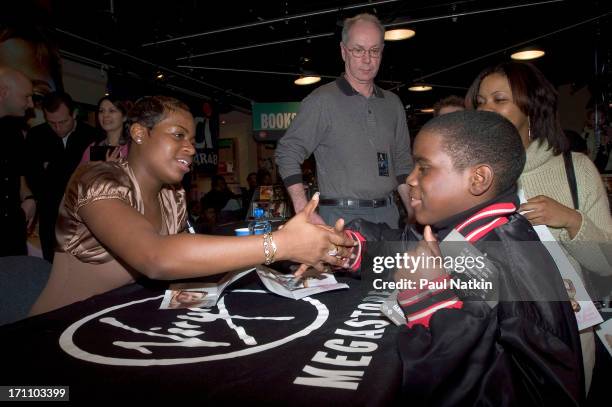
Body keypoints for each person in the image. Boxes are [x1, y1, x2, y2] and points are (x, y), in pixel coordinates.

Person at [332, 111, 583, 405]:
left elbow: (536, 394)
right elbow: (402, 248)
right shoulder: (456, 229)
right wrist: (349, 247)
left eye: (423, 168)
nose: (410, 179)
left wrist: (432, 303)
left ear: (478, 179)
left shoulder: (514, 268)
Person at [29, 96, 355, 316]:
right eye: (178, 135)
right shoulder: (96, 178)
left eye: (193, 139)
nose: (190, 148)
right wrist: (281, 244)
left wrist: (302, 247)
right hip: (53, 335)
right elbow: (157, 257)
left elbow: (193, 257)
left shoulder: (173, 196)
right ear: (140, 133)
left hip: (113, 321)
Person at [465, 61, 612, 396]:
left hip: (566, 330)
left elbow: (607, 264)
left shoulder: (577, 170)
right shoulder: (469, 174)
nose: (487, 109)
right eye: (481, 102)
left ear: (531, 107)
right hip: (493, 336)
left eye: (499, 99)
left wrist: (571, 220)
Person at [275, 13, 412, 228]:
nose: (367, 59)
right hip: (341, 218)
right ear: (343, 51)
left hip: (389, 215)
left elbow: (403, 163)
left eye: (374, 51)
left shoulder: (393, 103)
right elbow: (287, 151)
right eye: (358, 50)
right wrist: (304, 211)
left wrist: (414, 213)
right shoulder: (322, 100)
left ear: (382, 52)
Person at [26, 91, 101, 262]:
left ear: (74, 114)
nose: (58, 128)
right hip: (49, 213)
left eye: (63, 122)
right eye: (52, 123)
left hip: (82, 215)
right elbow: (32, 175)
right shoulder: (36, 135)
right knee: (50, 262)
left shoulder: (93, 136)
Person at [0, 67, 35, 256]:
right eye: (26, 97)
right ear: (4, 93)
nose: (30, 104)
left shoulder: (14, 133)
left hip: (12, 233)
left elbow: (18, 173)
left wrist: (28, 198)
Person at [80, 96, 130, 163]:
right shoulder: (94, 147)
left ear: (124, 117)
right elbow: (80, 173)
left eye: (112, 111)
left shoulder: (132, 147)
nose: (105, 115)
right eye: (101, 111)